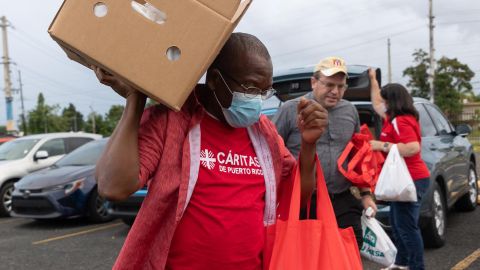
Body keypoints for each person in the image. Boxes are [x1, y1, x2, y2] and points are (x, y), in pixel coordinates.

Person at [93, 32, 328, 270]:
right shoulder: (172, 121)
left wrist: (308, 145)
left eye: (264, 91)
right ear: (215, 79)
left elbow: (300, 196)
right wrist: (135, 99)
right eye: (250, 87)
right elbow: (113, 186)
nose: (257, 100)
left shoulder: (263, 133)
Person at [273, 56, 377, 248]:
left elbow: (358, 155)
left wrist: (366, 195)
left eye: (341, 86)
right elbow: (271, 153)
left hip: (341, 200)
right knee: (309, 258)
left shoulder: (350, 111)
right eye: (329, 84)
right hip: (304, 204)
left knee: (350, 252)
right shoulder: (291, 110)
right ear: (314, 82)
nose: (335, 91)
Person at [368, 69, 430, 270]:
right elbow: (376, 103)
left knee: (407, 228)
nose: (381, 103)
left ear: (392, 101)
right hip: (403, 179)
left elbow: (413, 148)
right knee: (397, 224)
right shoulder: (391, 118)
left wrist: (381, 146)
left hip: (411, 179)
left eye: (385, 100)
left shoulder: (401, 121)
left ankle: (416, 266)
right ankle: (402, 263)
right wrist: (372, 80)